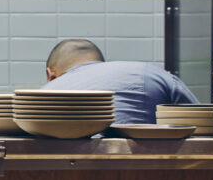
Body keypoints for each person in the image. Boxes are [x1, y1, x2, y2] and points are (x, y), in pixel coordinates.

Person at [42, 37, 198, 126]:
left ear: (51, 75)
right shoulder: (148, 72)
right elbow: (200, 123)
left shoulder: (45, 93)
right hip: (153, 168)